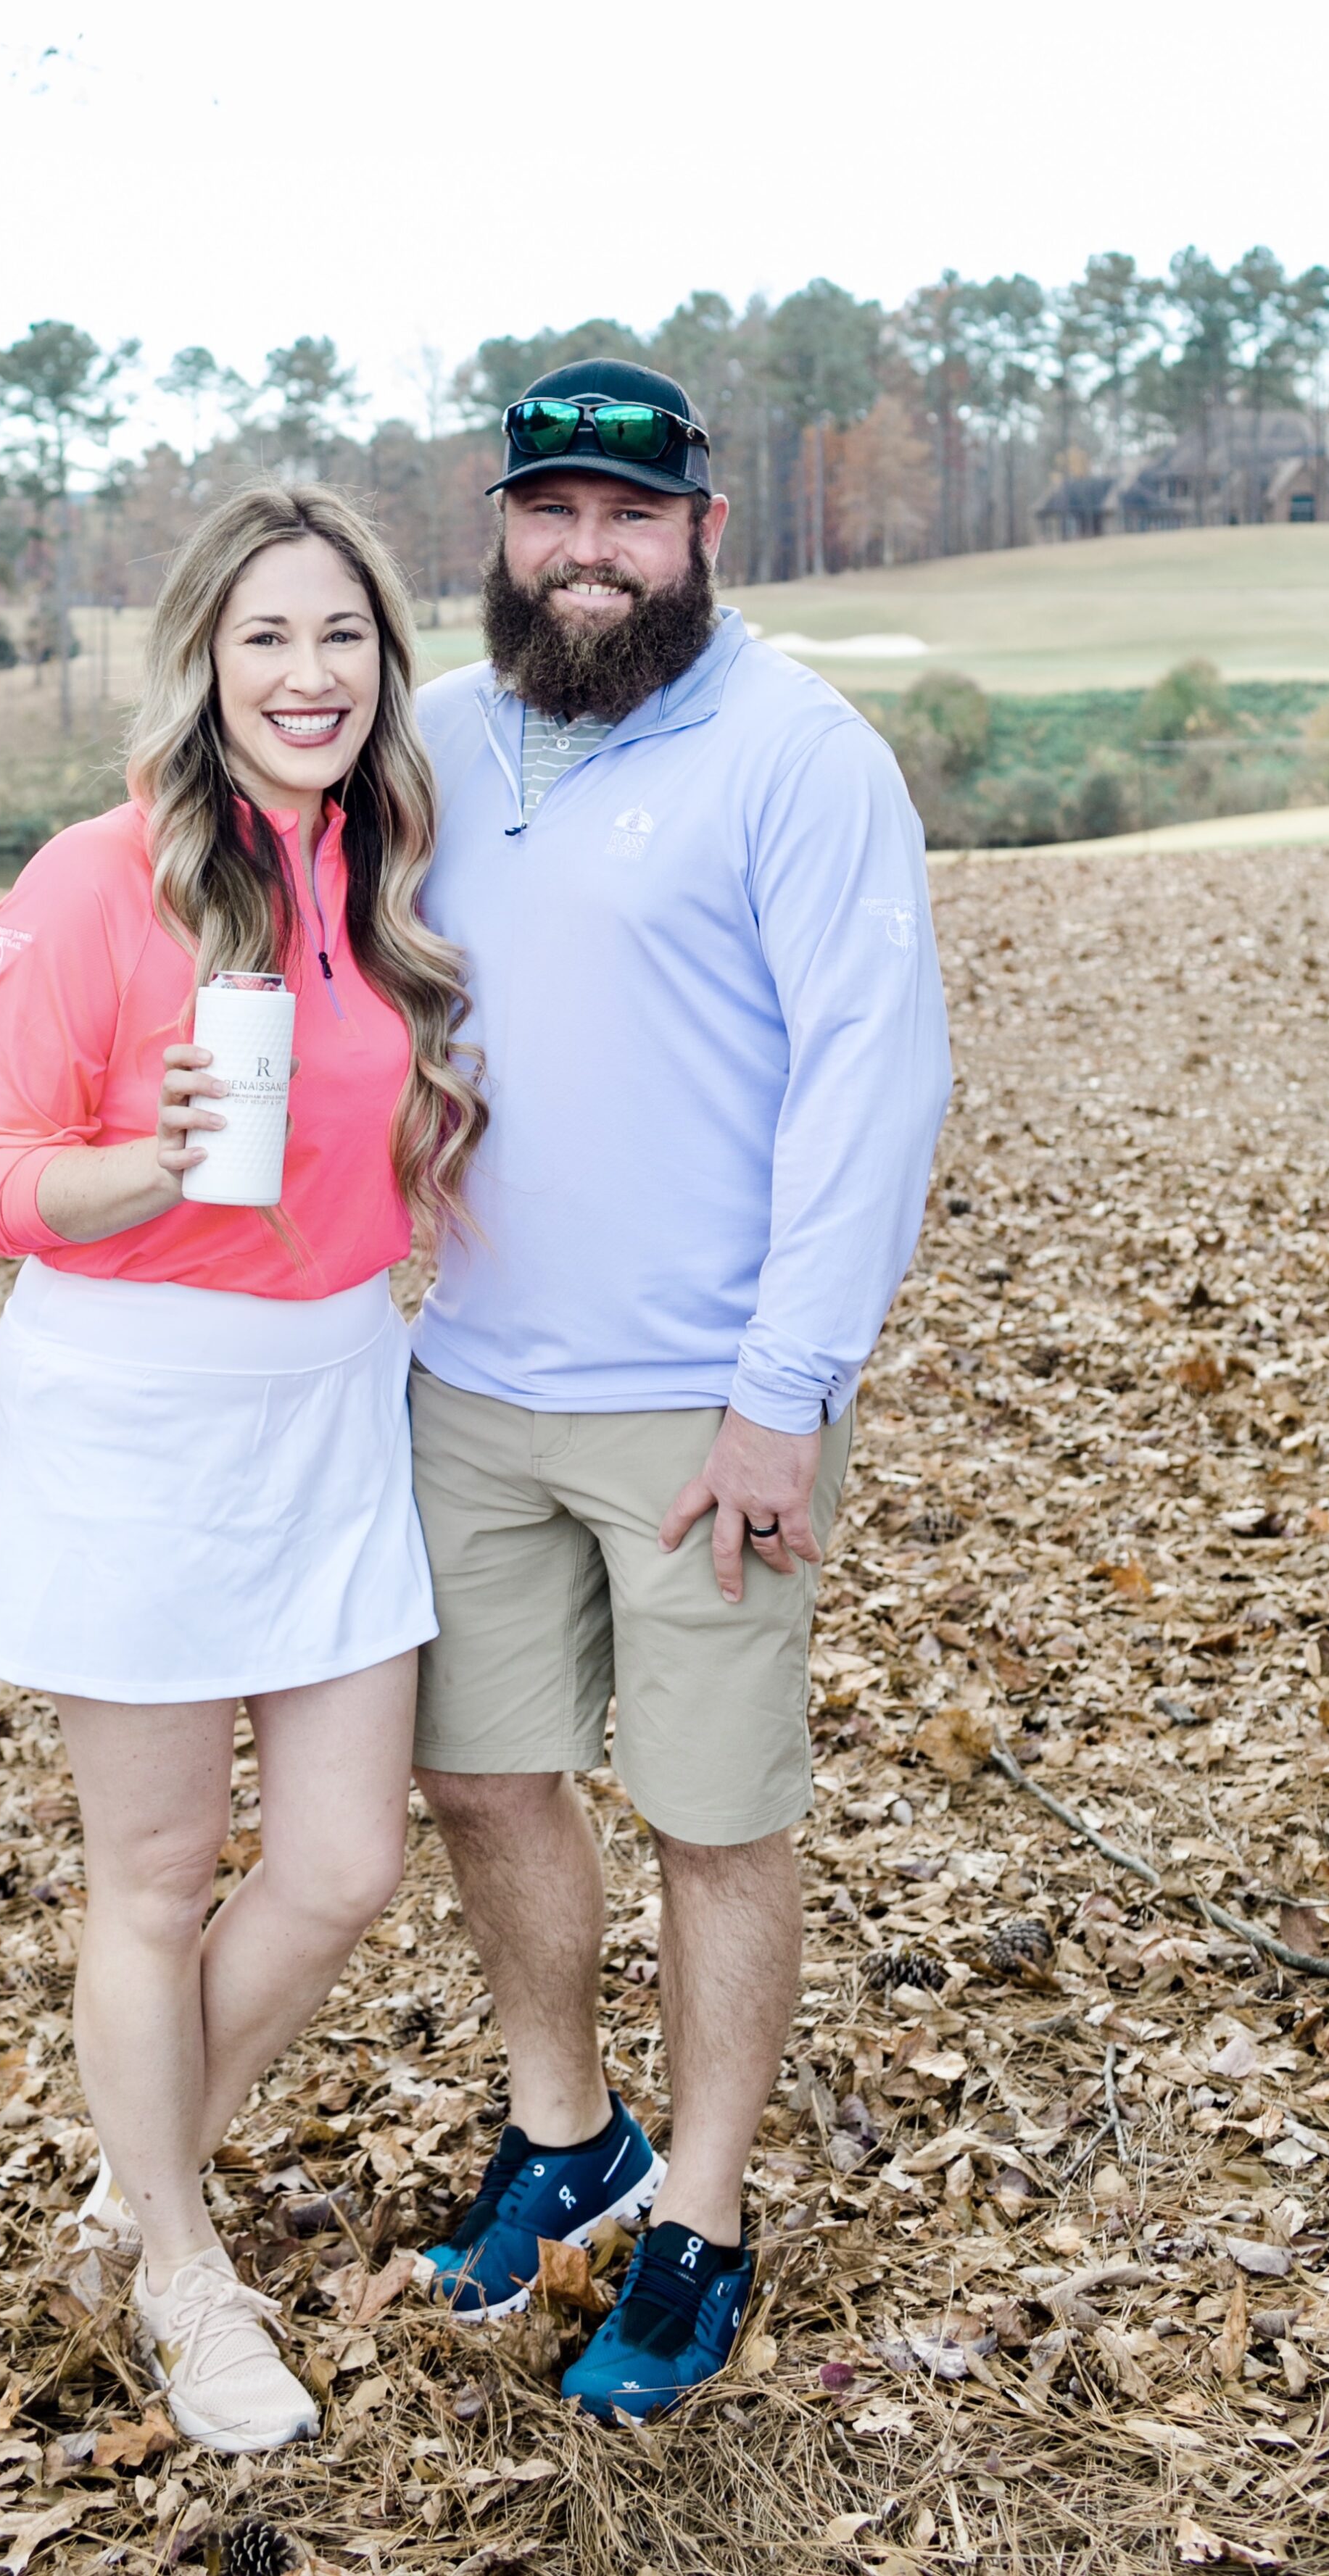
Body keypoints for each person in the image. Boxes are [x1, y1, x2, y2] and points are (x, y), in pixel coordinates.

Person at [407, 357, 952, 2422]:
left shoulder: (797, 754)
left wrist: (785, 1393)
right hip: (466, 1372)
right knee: (476, 1772)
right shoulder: (444, 736)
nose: (589, 554)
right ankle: (570, 2133)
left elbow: (874, 1087)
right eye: (553, 513)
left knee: (714, 1819)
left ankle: (701, 2215)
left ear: (704, 532)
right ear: (504, 532)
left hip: (703, 1403)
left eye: (631, 518)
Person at [0, 485, 482, 2455]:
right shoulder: (99, 878)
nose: (308, 673)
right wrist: (145, 1161)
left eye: (342, 634)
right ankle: (182, 2269)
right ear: (204, 660)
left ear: (384, 663)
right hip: (138, 1410)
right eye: (267, 636)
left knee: (341, 1863)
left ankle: (128, 2185)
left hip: (336, 1399)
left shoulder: (389, 868)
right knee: (157, 1876)